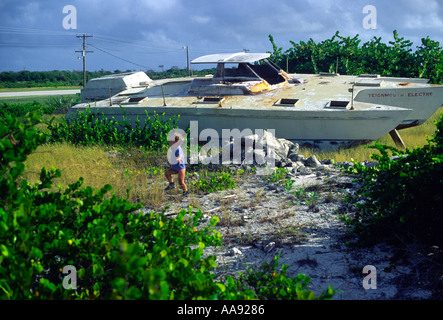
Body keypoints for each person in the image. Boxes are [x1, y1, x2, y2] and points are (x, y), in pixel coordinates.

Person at [165, 133, 189, 197]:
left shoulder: (178, 148)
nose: (169, 143)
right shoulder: (173, 148)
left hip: (181, 168)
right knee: (167, 173)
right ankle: (171, 184)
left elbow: (180, 155)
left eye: (171, 141)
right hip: (175, 167)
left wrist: (179, 158)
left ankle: (185, 192)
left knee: (181, 182)